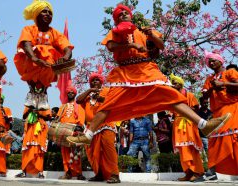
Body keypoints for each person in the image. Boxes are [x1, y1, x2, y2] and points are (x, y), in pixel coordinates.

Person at [67, 4, 231, 146]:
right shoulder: (115, 31)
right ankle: (88, 136)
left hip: (146, 71)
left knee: (172, 96)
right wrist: (131, 45)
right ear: (116, 20)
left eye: (126, 13)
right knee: (108, 104)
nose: (123, 14)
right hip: (124, 74)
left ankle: (203, 124)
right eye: (119, 14)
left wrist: (151, 34)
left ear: (130, 15)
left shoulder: (143, 30)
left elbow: (161, 45)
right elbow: (110, 46)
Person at [14, 0, 74, 110]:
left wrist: (64, 58)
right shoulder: (28, 29)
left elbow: (67, 48)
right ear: (37, 14)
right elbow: (26, 44)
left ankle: (43, 94)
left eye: (50, 12)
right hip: (30, 62)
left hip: (48, 65)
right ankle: (32, 92)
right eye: (44, 11)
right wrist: (35, 58)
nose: (48, 14)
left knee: (49, 51)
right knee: (38, 49)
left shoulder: (55, 33)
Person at [76, 67, 120, 183]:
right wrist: (90, 91)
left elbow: (112, 102)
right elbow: (78, 100)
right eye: (93, 80)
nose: (95, 82)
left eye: (97, 80)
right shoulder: (87, 96)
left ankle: (115, 174)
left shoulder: (106, 90)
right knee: (92, 153)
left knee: (108, 149)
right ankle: (99, 174)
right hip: (91, 128)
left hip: (106, 124)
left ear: (101, 82)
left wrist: (99, 98)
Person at [201, 51, 238, 179]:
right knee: (214, 142)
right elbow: (204, 97)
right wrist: (209, 90)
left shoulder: (230, 72)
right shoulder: (209, 79)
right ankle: (211, 172)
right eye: (208, 62)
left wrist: (224, 84)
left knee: (232, 139)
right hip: (217, 113)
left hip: (233, 109)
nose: (211, 63)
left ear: (221, 61)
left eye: (213, 60)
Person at [170, 74, 204, 181]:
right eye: (172, 84)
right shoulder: (172, 96)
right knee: (182, 149)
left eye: (174, 84)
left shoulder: (189, 95)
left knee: (191, 148)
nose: (173, 85)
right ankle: (188, 172)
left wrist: (185, 111)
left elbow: (196, 109)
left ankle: (197, 172)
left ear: (180, 84)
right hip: (177, 124)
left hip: (189, 123)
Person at [57, 83, 86, 180]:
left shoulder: (79, 105)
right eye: (68, 92)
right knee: (65, 154)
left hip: (74, 131)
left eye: (72, 92)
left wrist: (79, 128)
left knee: (76, 153)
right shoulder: (63, 106)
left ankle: (78, 173)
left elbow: (81, 119)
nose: (70, 93)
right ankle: (67, 172)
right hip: (63, 131)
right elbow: (58, 118)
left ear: (75, 94)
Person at [15, 107, 50, 178]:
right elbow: (24, 116)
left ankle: (40, 172)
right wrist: (30, 110)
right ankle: (23, 172)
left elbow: (48, 117)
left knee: (39, 150)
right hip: (29, 129)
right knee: (27, 150)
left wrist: (38, 113)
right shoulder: (29, 104)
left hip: (40, 129)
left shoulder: (44, 104)